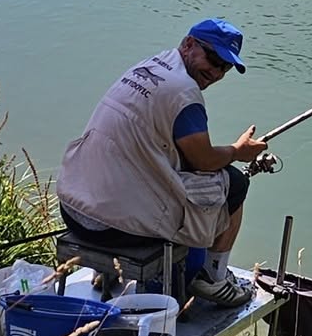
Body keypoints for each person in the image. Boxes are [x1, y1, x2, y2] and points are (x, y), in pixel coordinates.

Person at [54, 18, 270, 307]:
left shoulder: (148, 67)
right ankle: (213, 278)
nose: (216, 72)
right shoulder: (184, 93)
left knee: (134, 171)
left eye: (225, 67)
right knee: (236, 182)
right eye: (213, 59)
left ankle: (105, 272)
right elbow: (204, 161)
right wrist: (237, 151)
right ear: (189, 44)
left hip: (72, 208)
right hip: (113, 229)